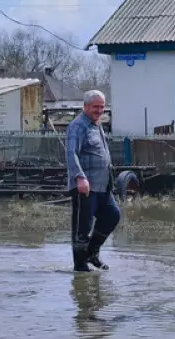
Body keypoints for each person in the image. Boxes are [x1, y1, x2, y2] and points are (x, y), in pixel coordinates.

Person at [65, 90, 120, 273]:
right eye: (95, 107)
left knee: (112, 215)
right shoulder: (78, 126)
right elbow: (71, 153)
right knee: (83, 228)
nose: (99, 110)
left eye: (102, 107)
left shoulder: (96, 125)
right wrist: (80, 177)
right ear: (86, 106)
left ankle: (91, 253)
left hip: (103, 186)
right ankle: (80, 268)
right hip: (85, 186)